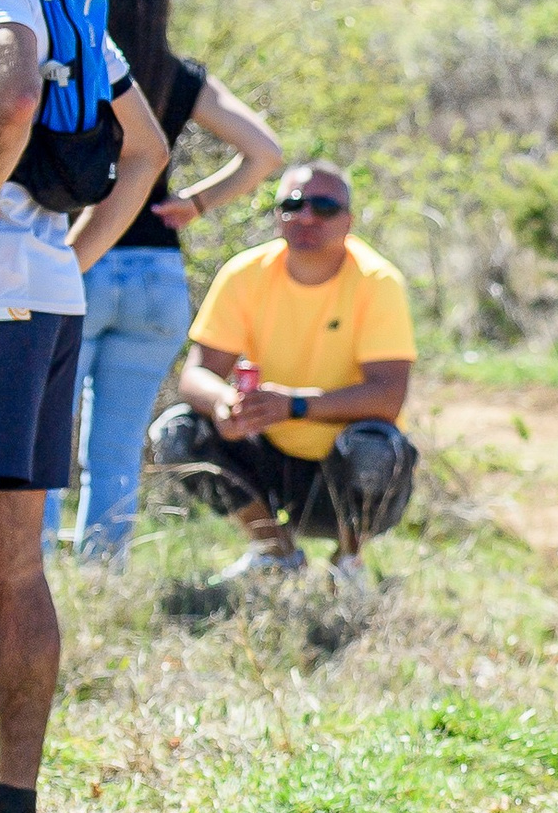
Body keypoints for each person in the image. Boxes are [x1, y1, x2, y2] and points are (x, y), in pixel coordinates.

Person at [0, 0, 166, 813]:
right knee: (16, 565)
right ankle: (13, 811)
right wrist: (70, 258)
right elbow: (143, 148)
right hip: (47, 292)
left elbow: (5, 101)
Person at [47, 0, 281, 559]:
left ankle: (30, 568)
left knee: (45, 435)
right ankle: (105, 568)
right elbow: (265, 153)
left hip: (78, 254)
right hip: (156, 274)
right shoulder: (179, 77)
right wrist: (197, 202)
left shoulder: (74, 61)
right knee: (118, 445)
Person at [151, 162, 419, 585]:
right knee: (177, 432)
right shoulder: (245, 273)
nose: (306, 216)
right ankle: (276, 553)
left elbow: (388, 397)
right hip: (270, 460)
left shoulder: (376, 281)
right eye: (292, 204)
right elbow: (196, 375)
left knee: (375, 448)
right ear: (276, 215)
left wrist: (292, 404)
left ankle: (347, 564)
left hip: (344, 468)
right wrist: (226, 405)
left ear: (348, 220)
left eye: (325, 206)